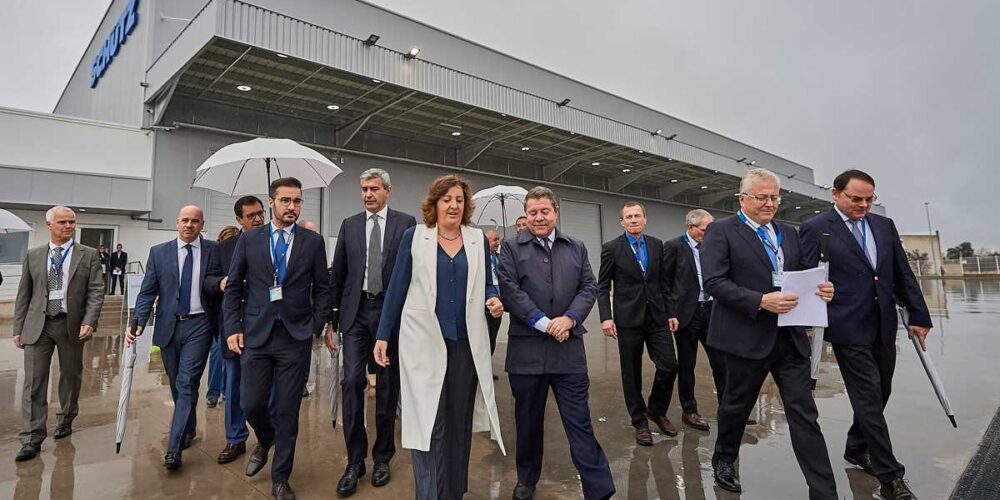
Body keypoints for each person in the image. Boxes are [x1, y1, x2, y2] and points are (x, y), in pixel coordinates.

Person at [701, 168, 838, 498]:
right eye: (761, 197)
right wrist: (760, 300)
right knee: (736, 406)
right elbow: (714, 282)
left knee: (804, 414)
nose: (769, 203)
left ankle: (824, 490)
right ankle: (724, 459)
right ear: (743, 198)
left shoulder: (787, 233)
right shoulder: (721, 232)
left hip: (788, 337)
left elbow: (801, 276)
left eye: (774, 197)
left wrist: (822, 289)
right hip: (744, 335)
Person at [373, 174, 506, 500]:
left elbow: (489, 283)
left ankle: (454, 492)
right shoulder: (415, 237)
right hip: (423, 345)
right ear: (435, 204)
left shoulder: (477, 240)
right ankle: (429, 494)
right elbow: (396, 290)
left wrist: (494, 298)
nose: (454, 205)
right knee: (428, 423)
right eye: (447, 199)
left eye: (459, 200)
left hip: (464, 347)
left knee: (458, 424)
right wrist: (382, 335)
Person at [800, 169, 931, 500]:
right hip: (846, 326)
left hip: (884, 324)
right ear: (835, 194)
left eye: (869, 199)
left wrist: (918, 314)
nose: (863, 205)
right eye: (855, 198)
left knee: (881, 391)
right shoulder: (816, 229)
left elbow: (900, 271)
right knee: (869, 397)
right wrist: (808, 318)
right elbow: (806, 277)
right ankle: (891, 478)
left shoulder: (883, 226)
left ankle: (857, 447)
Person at [498, 186, 614, 500]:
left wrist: (570, 319)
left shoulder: (574, 247)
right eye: (533, 212)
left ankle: (599, 488)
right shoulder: (510, 248)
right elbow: (510, 291)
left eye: (544, 211)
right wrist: (546, 323)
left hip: (568, 351)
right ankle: (526, 479)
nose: (539, 217)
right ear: (526, 214)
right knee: (528, 422)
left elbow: (588, 287)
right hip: (527, 353)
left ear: (555, 212)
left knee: (580, 422)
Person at [223, 177, 330, 500]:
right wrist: (232, 327)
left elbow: (323, 288)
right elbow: (235, 287)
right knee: (251, 403)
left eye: (297, 201)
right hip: (256, 333)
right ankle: (265, 438)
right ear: (271, 202)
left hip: (295, 337)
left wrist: (317, 324)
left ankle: (281, 477)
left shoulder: (312, 241)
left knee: (287, 409)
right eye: (286, 201)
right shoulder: (250, 240)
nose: (292, 207)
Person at [328, 168, 416, 497]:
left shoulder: (406, 224)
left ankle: (382, 456)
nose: (368, 194)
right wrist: (332, 319)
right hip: (355, 313)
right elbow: (339, 273)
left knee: (387, 389)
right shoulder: (350, 225)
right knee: (352, 381)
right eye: (364, 188)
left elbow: (412, 273)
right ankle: (354, 460)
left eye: (374, 188)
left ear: (387, 191)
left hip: (389, 314)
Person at [127, 205, 221, 471]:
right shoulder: (159, 253)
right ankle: (188, 427)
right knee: (178, 386)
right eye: (184, 220)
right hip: (169, 327)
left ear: (202, 224)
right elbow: (147, 292)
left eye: (194, 221)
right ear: (177, 223)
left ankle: (174, 447)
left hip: (200, 325)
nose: (189, 225)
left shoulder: (214, 251)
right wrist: (138, 321)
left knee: (187, 381)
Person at [12, 206, 105, 462]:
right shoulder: (34, 255)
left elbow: (96, 291)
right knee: (34, 381)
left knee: (71, 376)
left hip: (70, 324)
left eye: (72, 222)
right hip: (37, 325)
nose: (68, 226)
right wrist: (18, 327)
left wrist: (90, 321)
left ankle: (65, 418)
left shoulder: (88, 256)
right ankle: (31, 438)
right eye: (62, 222)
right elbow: (24, 294)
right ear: (49, 225)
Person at [597, 201, 679, 446]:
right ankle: (639, 422)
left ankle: (656, 410)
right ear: (622, 222)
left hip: (657, 317)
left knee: (669, 365)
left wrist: (671, 312)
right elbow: (602, 286)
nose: (633, 220)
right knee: (631, 374)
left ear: (645, 219)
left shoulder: (656, 245)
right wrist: (606, 317)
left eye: (637, 216)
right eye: (628, 217)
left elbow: (663, 283)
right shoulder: (612, 248)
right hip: (628, 319)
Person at [205, 198, 266, 465]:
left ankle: (267, 435)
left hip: (265, 327)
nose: (257, 219)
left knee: (268, 388)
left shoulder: (273, 243)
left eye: (260, 214)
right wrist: (221, 283)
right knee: (234, 385)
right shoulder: (224, 248)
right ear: (239, 220)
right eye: (251, 216)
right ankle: (235, 437)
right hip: (235, 327)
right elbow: (206, 281)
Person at [663, 209, 728, 431]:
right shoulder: (673, 247)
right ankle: (689, 410)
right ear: (691, 228)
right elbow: (666, 283)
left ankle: (728, 409)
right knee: (687, 364)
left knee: (721, 362)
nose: (708, 233)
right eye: (704, 229)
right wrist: (671, 313)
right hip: (686, 315)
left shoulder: (713, 245)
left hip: (712, 311)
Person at [205, 226, 239, 409]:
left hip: (234, 314)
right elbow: (209, 282)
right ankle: (214, 391)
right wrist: (220, 283)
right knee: (218, 353)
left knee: (227, 357)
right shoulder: (218, 254)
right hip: (220, 314)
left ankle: (225, 390)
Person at [484, 229, 503, 354]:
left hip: (498, 300)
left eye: (498, 239)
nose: (498, 242)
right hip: (485, 301)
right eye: (495, 240)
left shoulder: (499, 257)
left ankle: (488, 369)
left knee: (492, 336)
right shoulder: (479, 258)